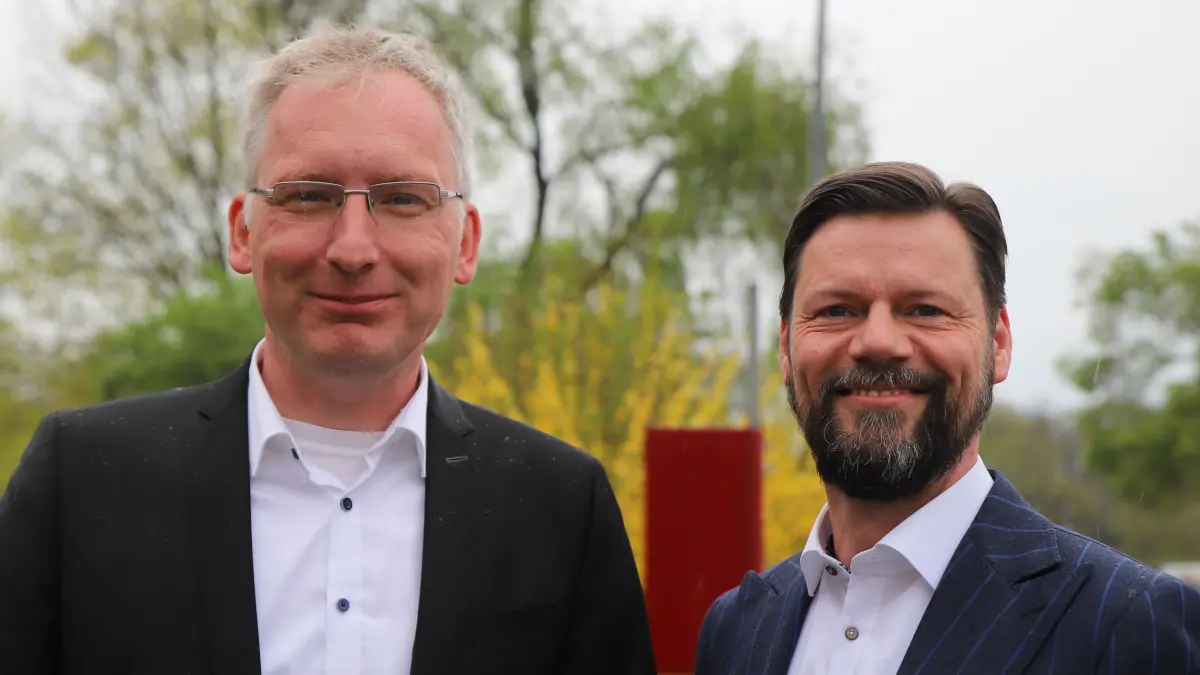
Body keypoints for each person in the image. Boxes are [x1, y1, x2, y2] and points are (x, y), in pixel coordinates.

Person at [0, 25, 656, 675]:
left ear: (465, 243)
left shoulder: (562, 508)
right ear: (242, 232)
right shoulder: (82, 483)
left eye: (403, 199)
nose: (352, 248)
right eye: (308, 196)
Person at [694, 161, 1200, 674]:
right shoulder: (736, 631)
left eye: (925, 310)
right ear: (786, 345)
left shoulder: (1128, 624)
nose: (878, 343)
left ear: (997, 344)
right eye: (836, 310)